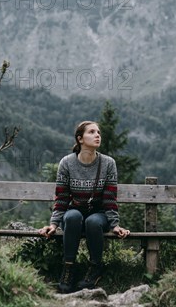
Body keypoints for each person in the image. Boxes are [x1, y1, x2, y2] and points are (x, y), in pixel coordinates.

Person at [39, 120, 130, 293]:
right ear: (80, 139)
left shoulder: (108, 163)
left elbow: (109, 198)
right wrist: (53, 224)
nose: (97, 135)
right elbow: (62, 197)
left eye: (99, 132)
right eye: (92, 132)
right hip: (74, 212)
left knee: (93, 222)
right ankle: (68, 269)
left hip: (98, 213)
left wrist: (114, 224)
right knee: (72, 217)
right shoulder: (67, 163)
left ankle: (95, 268)